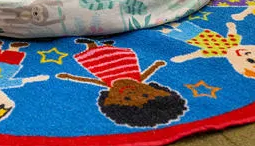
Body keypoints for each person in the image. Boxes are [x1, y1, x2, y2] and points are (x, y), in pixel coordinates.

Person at [57, 39, 188, 127]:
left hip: (102, 68)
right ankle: (107, 45)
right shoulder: (138, 78)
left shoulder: (107, 83)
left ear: (109, 100)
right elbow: (147, 73)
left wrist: (70, 76)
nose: (132, 93)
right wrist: (156, 65)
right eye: (146, 95)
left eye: (126, 98)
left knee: (93, 54)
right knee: (117, 52)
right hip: (126, 63)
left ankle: (90, 43)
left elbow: (91, 80)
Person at [165, 20, 255, 82]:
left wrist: (183, 58)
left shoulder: (219, 52)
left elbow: (199, 53)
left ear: (240, 69)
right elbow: (231, 34)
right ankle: (170, 23)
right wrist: (231, 27)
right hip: (200, 32)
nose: (249, 54)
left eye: (251, 61)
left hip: (190, 39)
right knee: (183, 25)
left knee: (172, 32)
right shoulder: (233, 43)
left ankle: (166, 28)